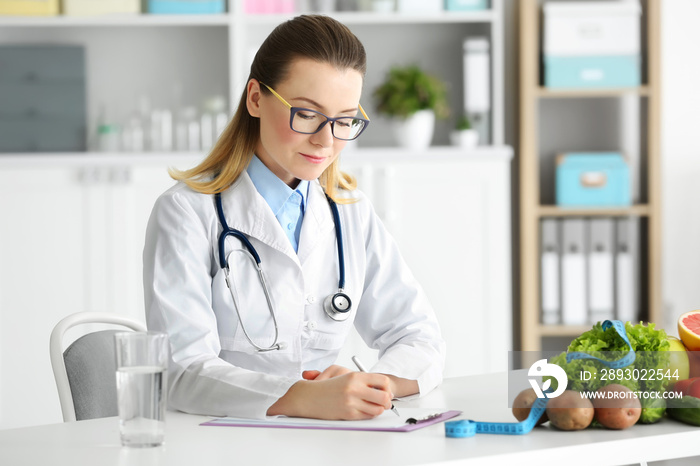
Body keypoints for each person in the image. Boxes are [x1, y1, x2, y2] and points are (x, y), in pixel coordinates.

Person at [143, 14, 445, 421]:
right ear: (255, 98)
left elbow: (420, 338)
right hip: (220, 440)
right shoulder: (186, 213)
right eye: (306, 114)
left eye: (344, 120)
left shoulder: (349, 211)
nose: (326, 140)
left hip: (325, 441)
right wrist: (300, 396)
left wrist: (374, 386)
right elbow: (181, 371)